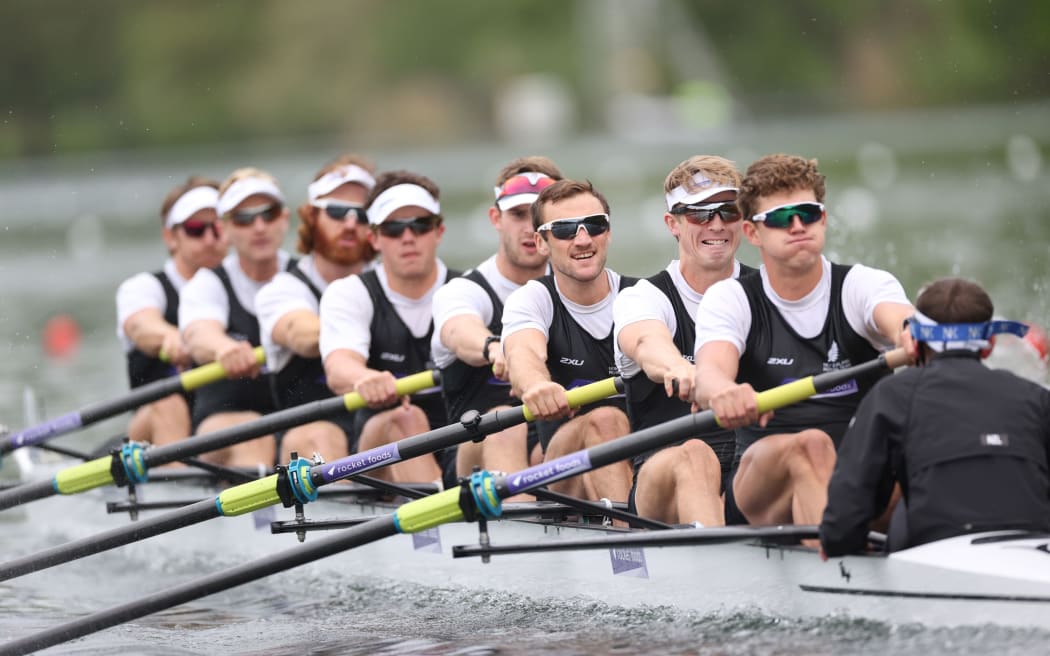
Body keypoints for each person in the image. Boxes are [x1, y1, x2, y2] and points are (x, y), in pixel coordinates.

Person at [693, 153, 914, 527]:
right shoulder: (732, 298)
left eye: (808, 214)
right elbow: (710, 373)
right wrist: (724, 392)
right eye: (780, 218)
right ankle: (834, 553)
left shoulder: (863, 285)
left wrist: (915, 334)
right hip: (764, 486)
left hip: (861, 473)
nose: (797, 226)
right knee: (812, 446)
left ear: (823, 220)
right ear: (752, 233)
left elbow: (902, 320)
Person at [821, 277, 1050, 556]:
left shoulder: (892, 395)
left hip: (934, 548)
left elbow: (846, 513)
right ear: (989, 344)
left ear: (915, 341)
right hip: (1033, 549)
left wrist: (838, 542)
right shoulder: (1036, 397)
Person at [614, 156, 756, 526]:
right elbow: (647, 343)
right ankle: (718, 557)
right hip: (664, 477)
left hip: (749, 467)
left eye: (728, 211)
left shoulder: (768, 292)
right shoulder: (644, 298)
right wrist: (683, 370)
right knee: (695, 454)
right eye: (699, 214)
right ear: (672, 224)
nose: (717, 224)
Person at [432, 156, 562, 491]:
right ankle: (525, 518)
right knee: (505, 425)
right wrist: (495, 347)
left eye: (539, 215)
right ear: (496, 218)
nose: (530, 227)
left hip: (549, 447)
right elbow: (458, 330)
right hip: (474, 449)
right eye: (518, 214)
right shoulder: (463, 290)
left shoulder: (582, 288)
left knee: (600, 423)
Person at [320, 170, 457, 485]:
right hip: (378, 448)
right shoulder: (350, 293)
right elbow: (339, 367)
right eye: (394, 228)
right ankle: (439, 511)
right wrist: (363, 378)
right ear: (374, 238)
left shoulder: (468, 289)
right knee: (407, 418)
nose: (408, 237)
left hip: (460, 441)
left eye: (420, 225)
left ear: (438, 231)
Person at [502, 179, 634, 503]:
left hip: (644, 462)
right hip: (563, 471)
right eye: (564, 229)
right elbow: (523, 353)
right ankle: (630, 531)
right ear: (541, 242)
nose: (583, 239)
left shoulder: (643, 296)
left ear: (608, 232)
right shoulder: (533, 299)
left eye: (595, 225)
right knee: (605, 420)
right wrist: (536, 385)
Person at [256, 155, 378, 464]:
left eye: (362, 214)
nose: (350, 223)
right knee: (323, 436)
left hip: (382, 432)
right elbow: (302, 335)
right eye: (336, 211)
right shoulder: (281, 290)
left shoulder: (394, 284)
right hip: (311, 438)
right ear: (311, 216)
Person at [179, 167, 293, 467]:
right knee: (254, 435)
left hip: (297, 423)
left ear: (285, 218)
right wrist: (223, 348)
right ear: (224, 229)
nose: (259, 227)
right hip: (224, 422)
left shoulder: (306, 275)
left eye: (268, 214)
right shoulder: (207, 283)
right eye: (244, 218)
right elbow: (198, 334)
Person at [116, 176, 228, 447]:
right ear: (170, 237)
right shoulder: (144, 287)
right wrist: (172, 338)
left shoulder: (253, 286)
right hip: (154, 434)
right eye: (195, 229)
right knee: (168, 403)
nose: (210, 239)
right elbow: (141, 326)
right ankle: (176, 473)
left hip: (225, 427)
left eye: (218, 227)